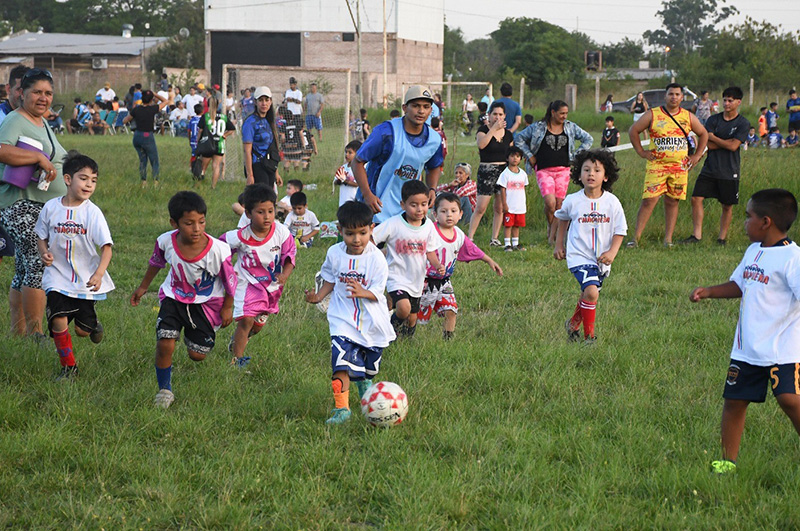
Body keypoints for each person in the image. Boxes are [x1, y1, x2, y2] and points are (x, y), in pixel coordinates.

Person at [689, 188, 800, 475]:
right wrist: (710, 291)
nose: (744, 222)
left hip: (783, 350)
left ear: (766, 222)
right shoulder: (753, 251)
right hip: (747, 347)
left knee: (790, 400)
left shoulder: (792, 258)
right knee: (735, 402)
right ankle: (727, 462)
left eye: (748, 216)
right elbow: (741, 284)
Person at [130, 191, 236, 409]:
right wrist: (142, 287)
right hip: (173, 298)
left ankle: (194, 333)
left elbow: (230, 281)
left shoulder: (218, 250)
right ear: (174, 223)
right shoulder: (165, 242)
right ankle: (164, 389)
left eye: (201, 222)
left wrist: (228, 307)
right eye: (189, 223)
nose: (196, 228)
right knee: (165, 342)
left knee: (197, 355)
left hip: (205, 304)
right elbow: (156, 263)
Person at [304, 200, 396, 425]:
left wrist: (364, 292)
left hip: (371, 321)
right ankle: (342, 409)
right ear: (340, 231)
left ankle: (366, 387)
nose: (356, 239)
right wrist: (318, 296)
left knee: (368, 368)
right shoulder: (334, 253)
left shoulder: (376, 259)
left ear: (371, 229)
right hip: (341, 318)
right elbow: (330, 279)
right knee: (340, 363)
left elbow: (378, 291)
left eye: (362, 233)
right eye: (350, 233)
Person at [34, 152, 113, 379]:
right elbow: (41, 235)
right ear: (68, 180)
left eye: (94, 180)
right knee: (58, 320)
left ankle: (92, 323)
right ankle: (69, 368)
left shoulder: (92, 212)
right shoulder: (50, 207)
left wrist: (99, 274)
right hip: (57, 276)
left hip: (85, 279)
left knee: (81, 331)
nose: (89, 184)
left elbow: (106, 247)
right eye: (84, 178)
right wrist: (44, 253)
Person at [0, 68, 64, 338]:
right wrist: (37, 159)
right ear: (21, 93)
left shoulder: (43, 122)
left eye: (48, 93)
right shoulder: (16, 119)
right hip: (20, 203)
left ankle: (19, 333)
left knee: (24, 266)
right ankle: (37, 335)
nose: (43, 97)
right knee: (38, 262)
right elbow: (1, 150)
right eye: (37, 92)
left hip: (41, 205)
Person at [554, 149, 627, 345]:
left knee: (588, 294)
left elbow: (620, 230)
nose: (591, 174)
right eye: (586, 170)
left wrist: (612, 252)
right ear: (579, 174)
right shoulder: (573, 200)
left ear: (606, 176)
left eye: (597, 170)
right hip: (578, 256)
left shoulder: (612, 202)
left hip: (602, 259)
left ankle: (572, 325)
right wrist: (559, 244)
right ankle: (589, 338)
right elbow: (562, 219)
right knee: (592, 292)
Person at [221, 183, 296, 369]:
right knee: (246, 319)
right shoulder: (240, 236)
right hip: (247, 284)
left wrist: (285, 275)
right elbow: (219, 247)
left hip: (272, 287)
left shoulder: (282, 232)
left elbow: (290, 256)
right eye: (260, 212)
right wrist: (225, 270)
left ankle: (238, 340)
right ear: (247, 213)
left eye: (270, 211)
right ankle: (237, 361)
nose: (267, 217)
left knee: (256, 326)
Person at [627, 82, 708, 247]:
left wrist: (697, 156)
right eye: (671, 94)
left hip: (679, 167)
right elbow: (633, 131)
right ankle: (635, 239)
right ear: (665, 96)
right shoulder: (653, 114)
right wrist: (641, 152)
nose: (674, 97)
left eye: (677, 94)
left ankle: (668, 240)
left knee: (673, 201)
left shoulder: (688, 116)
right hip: (657, 165)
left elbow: (703, 134)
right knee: (649, 200)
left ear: (682, 97)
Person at [353, 85, 444, 224]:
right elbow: (357, 162)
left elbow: (434, 166)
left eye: (426, 107)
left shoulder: (434, 139)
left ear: (431, 110)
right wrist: (367, 195)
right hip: (375, 207)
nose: (421, 111)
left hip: (408, 210)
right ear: (404, 108)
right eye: (415, 106)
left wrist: (432, 188)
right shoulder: (386, 132)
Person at [418, 192, 502, 340]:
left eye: (453, 211)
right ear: (435, 215)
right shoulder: (430, 232)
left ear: (461, 214)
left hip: (445, 282)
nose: (449, 215)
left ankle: (448, 339)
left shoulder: (459, 234)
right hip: (424, 281)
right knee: (415, 315)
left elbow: (472, 249)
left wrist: (489, 260)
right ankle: (403, 334)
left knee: (451, 310)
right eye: (444, 211)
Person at [372, 179, 445, 338]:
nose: (420, 209)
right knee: (403, 308)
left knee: (412, 318)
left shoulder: (429, 226)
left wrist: (437, 265)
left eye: (424, 204)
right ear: (403, 205)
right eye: (414, 205)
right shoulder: (393, 223)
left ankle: (406, 341)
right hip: (396, 276)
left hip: (416, 280)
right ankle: (386, 332)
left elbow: (430, 252)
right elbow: (372, 238)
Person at [516, 100, 594, 244]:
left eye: (566, 113)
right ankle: (551, 228)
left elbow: (588, 139)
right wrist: (529, 155)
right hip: (544, 170)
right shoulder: (538, 127)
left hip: (563, 170)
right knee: (550, 203)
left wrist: (576, 156)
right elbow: (519, 138)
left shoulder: (570, 127)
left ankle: (554, 237)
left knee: (560, 204)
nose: (564, 116)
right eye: (561, 113)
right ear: (553, 112)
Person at [682, 86, 750, 246]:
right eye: (724, 100)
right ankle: (696, 236)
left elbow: (734, 146)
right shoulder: (713, 120)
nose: (726, 103)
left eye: (730, 100)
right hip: (710, 168)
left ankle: (722, 238)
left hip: (729, 170)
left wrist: (714, 138)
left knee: (727, 205)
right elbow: (707, 144)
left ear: (738, 102)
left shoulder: (743, 123)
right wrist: (722, 142)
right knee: (696, 198)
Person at [467, 101, 514, 245]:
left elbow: (511, 154)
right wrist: (493, 129)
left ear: (504, 116)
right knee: (481, 207)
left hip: (503, 171)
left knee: (499, 207)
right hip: (487, 171)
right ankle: (470, 238)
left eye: (500, 114)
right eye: (495, 114)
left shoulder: (508, 134)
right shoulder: (483, 130)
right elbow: (482, 144)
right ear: (489, 115)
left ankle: (494, 238)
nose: (497, 117)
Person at [123, 89, 172, 188]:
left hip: (137, 136)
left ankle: (143, 182)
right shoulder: (153, 109)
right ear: (151, 100)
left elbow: (125, 121)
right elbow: (166, 101)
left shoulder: (136, 109)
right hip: (147, 136)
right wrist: (155, 94)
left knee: (142, 160)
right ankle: (155, 182)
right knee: (154, 160)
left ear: (142, 98)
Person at [242, 86, 282, 190]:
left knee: (271, 199)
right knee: (262, 199)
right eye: (261, 100)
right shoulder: (250, 122)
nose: (264, 103)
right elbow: (247, 151)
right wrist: (250, 175)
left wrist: (276, 172)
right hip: (257, 165)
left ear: (271, 101)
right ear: (255, 102)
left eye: (266, 100)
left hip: (269, 165)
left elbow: (273, 147)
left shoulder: (270, 121)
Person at [197, 95, 236, 189]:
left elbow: (200, 131)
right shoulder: (223, 117)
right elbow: (232, 129)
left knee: (203, 166)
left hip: (207, 144)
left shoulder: (206, 116)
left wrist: (198, 141)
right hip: (219, 144)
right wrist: (225, 135)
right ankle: (213, 186)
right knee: (216, 166)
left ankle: (198, 183)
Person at [497, 146, 529, 251]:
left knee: (516, 225)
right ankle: (507, 244)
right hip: (509, 205)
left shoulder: (523, 174)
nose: (515, 158)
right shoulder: (505, 174)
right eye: (512, 156)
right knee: (508, 225)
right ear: (507, 158)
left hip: (519, 206)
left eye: (517, 156)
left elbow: (523, 188)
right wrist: (504, 204)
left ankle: (516, 243)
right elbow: (502, 189)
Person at [334, 140, 361, 206]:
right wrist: (339, 181)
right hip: (343, 201)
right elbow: (335, 181)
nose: (347, 155)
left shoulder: (360, 169)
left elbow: (358, 184)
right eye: (346, 152)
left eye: (350, 153)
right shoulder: (343, 168)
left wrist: (345, 181)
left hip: (355, 201)